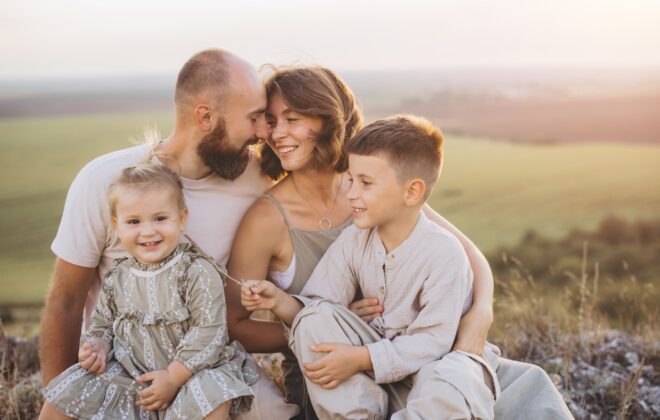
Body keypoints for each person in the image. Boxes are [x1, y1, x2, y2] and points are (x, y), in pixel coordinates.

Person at [41, 49, 298, 418]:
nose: (262, 134)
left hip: (208, 360)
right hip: (124, 363)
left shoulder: (257, 178)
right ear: (206, 117)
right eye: (254, 118)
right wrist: (69, 395)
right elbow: (65, 301)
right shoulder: (104, 181)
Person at [226, 67, 496, 417]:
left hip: (415, 357)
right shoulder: (267, 218)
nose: (277, 134)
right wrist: (333, 319)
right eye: (271, 121)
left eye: (291, 119)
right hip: (333, 375)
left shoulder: (376, 185)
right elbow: (240, 325)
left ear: (327, 120)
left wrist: (481, 315)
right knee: (318, 318)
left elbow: (465, 253)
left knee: (459, 379)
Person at [40, 163, 257, 419]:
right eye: (133, 221)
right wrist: (97, 345)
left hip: (191, 371)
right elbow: (102, 324)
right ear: (116, 225)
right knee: (69, 390)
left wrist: (173, 376)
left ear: (182, 218)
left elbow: (209, 331)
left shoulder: (196, 270)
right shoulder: (118, 276)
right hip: (133, 372)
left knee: (213, 395)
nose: (148, 231)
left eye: (160, 218)